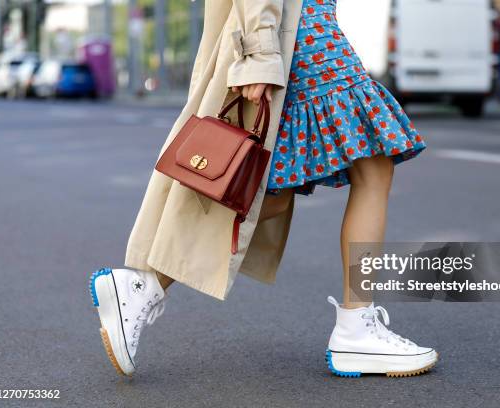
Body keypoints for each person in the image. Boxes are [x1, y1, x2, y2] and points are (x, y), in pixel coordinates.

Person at [88, 0, 437, 378]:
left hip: (298, 30)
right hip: (302, 29)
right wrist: (260, 53)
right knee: (373, 164)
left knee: (268, 195)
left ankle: (142, 286)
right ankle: (357, 329)